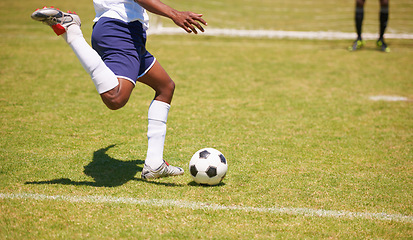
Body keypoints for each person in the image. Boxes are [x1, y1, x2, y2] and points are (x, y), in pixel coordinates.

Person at [31, 0, 207, 180]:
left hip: (129, 33)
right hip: (120, 31)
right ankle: (72, 31)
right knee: (115, 98)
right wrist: (174, 13)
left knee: (165, 87)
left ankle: (154, 164)